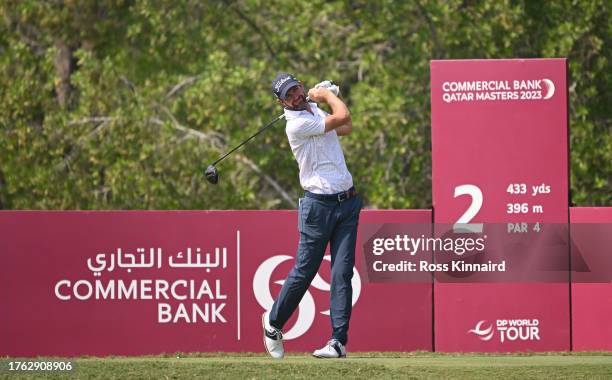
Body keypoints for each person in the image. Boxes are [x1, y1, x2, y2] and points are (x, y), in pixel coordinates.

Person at [262, 72, 362, 359]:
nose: (295, 95)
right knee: (305, 271)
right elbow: (342, 115)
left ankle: (337, 343)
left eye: (296, 89)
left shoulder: (313, 110)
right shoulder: (297, 124)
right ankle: (273, 323)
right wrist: (330, 96)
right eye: (288, 94)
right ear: (281, 102)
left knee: (342, 273)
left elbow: (347, 126)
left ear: (301, 87)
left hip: (347, 203)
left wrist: (328, 99)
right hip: (318, 207)